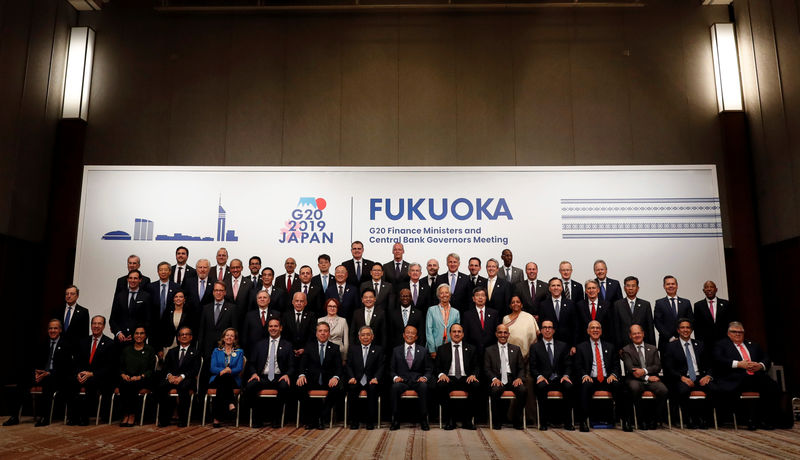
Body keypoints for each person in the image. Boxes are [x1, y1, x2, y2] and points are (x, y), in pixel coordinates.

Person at [711, 321, 780, 430]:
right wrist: (738, 364)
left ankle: (767, 420)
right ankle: (751, 420)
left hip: (756, 376)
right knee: (749, 382)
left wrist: (760, 365)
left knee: (772, 386)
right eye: (734, 332)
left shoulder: (753, 345)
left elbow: (766, 358)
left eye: (740, 332)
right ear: (728, 333)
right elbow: (718, 360)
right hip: (734, 378)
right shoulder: (721, 345)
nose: (738, 334)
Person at [5, 319, 74, 427]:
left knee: (48, 383)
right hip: (42, 374)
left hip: (56, 376)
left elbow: (66, 368)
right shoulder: (43, 343)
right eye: (50, 328)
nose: (52, 330)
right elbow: (35, 361)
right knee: (22, 381)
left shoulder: (66, 345)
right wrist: (36, 372)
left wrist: (49, 373)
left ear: (60, 330)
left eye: (55, 328)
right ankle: (14, 416)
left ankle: (45, 417)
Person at [662, 318, 714, 429]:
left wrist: (708, 376)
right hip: (681, 378)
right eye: (682, 327)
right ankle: (689, 418)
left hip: (700, 376)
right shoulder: (671, 346)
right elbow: (668, 368)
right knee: (683, 390)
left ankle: (705, 419)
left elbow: (709, 364)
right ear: (678, 330)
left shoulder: (700, 344)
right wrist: (682, 378)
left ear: (691, 330)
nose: (685, 330)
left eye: (688, 327)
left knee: (713, 388)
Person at [245, 318, 295, 428]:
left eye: (276, 326)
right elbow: (251, 363)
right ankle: (257, 418)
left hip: (279, 377)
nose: (273, 328)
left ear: (281, 328)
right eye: (271, 326)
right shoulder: (259, 344)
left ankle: (276, 419)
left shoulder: (288, 345)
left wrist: (287, 374)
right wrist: (254, 373)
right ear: (268, 328)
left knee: (284, 386)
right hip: (262, 377)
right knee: (250, 386)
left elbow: (292, 366)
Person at [574, 320, 621, 432]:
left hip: (607, 378)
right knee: (585, 386)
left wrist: (613, 375)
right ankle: (583, 421)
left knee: (619, 386)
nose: (595, 330)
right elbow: (578, 365)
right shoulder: (581, 347)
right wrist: (584, 375)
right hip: (591, 378)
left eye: (598, 328)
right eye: (592, 328)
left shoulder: (610, 346)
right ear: (588, 331)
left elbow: (616, 364)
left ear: (601, 331)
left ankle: (625, 420)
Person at [69, 315, 116, 426]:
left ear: (103, 326)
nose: (96, 326)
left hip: (100, 377)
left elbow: (110, 367)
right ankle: (73, 417)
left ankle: (84, 418)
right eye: (94, 323)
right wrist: (79, 373)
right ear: (91, 325)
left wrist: (92, 374)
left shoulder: (110, 344)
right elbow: (77, 361)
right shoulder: (83, 342)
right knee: (70, 383)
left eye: (99, 323)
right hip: (83, 374)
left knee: (90, 383)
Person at [621, 324, 668, 431]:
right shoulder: (626, 350)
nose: (637, 335)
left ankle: (654, 419)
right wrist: (647, 378)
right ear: (630, 336)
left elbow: (657, 366)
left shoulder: (653, 348)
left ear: (643, 334)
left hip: (652, 379)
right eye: (634, 333)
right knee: (635, 388)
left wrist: (645, 371)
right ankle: (640, 420)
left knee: (663, 390)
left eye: (639, 333)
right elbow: (630, 369)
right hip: (634, 380)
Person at [296, 322, 343, 430]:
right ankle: (311, 418)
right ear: (316, 333)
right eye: (320, 331)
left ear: (329, 333)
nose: (323, 333)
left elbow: (339, 367)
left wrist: (335, 377)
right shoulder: (309, 346)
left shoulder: (335, 348)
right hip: (312, 380)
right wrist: (301, 375)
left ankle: (322, 417)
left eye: (325, 331)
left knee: (337, 388)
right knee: (299, 386)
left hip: (328, 380)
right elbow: (302, 364)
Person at [530, 320, 574, 431]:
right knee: (541, 386)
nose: (547, 330)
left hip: (560, 379)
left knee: (569, 386)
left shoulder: (563, 346)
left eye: (550, 327)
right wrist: (539, 376)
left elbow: (568, 364)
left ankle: (568, 423)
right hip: (544, 379)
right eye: (545, 327)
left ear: (554, 330)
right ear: (541, 331)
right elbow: (533, 367)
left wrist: (566, 375)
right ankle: (543, 423)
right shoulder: (535, 347)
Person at [435, 323, 479, 430]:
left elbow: (476, 365)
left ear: (463, 334)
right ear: (450, 334)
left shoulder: (471, 348)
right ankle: (449, 420)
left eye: (459, 331)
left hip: (466, 378)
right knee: (441, 385)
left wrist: (473, 375)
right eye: (454, 331)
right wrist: (441, 375)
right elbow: (436, 367)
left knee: (476, 385)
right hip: (449, 378)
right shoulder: (442, 349)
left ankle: (468, 420)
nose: (457, 334)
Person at [389, 325, 432, 431]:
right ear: (403, 335)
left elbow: (429, 369)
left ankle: (423, 420)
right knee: (395, 388)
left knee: (424, 387)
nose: (410, 335)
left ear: (416, 337)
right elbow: (391, 369)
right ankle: (396, 420)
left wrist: (425, 378)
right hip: (402, 380)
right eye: (408, 332)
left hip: (417, 380)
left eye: (413, 333)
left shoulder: (423, 350)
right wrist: (395, 377)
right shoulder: (396, 350)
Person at [485, 324, 526, 430]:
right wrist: (494, 379)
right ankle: (497, 421)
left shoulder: (516, 349)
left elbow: (522, 368)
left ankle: (517, 420)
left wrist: (519, 378)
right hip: (497, 379)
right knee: (495, 390)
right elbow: (487, 368)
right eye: (500, 332)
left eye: (505, 332)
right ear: (496, 334)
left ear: (508, 334)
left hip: (512, 379)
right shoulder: (489, 350)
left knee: (522, 390)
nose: (502, 335)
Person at [157, 327, 200, 427]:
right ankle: (164, 419)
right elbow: (165, 368)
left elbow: (195, 370)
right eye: (181, 334)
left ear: (191, 337)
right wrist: (169, 376)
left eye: (186, 334)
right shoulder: (172, 351)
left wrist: (182, 377)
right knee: (161, 386)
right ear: (178, 338)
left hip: (187, 380)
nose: (184, 336)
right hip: (172, 379)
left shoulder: (196, 353)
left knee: (183, 387)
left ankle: (183, 419)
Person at [345, 326, 384, 430]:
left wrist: (376, 378)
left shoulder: (378, 349)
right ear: (359, 337)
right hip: (356, 379)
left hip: (371, 380)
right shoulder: (353, 349)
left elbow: (381, 366)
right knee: (352, 389)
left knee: (373, 389)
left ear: (372, 337)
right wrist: (351, 377)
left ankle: (370, 421)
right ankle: (354, 421)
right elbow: (348, 365)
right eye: (363, 335)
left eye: (368, 335)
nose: (365, 337)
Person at [117, 326, 155, 427]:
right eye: (137, 333)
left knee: (132, 385)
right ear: (133, 335)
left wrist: (140, 377)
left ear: (145, 335)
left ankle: (132, 415)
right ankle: (126, 414)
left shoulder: (150, 350)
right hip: (127, 378)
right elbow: (121, 366)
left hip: (143, 379)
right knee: (124, 384)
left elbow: (151, 370)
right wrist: (123, 374)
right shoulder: (126, 350)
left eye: (141, 333)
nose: (139, 336)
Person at [208, 328, 244, 427]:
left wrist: (229, 371)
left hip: (233, 380)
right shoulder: (216, 351)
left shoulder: (239, 352)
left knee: (225, 380)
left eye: (232, 336)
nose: (229, 337)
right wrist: (223, 371)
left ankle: (216, 418)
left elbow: (239, 368)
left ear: (235, 339)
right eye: (227, 335)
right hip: (217, 378)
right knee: (224, 378)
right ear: (223, 338)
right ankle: (231, 403)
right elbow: (212, 368)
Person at [110, 270, 153, 344]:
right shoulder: (119, 296)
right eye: (130, 278)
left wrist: (137, 335)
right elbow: (113, 319)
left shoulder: (146, 296)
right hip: (120, 339)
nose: (132, 280)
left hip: (138, 340)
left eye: (135, 278)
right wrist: (118, 333)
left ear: (140, 280)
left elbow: (148, 320)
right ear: (127, 279)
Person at [612, 276, 655, 349]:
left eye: (633, 286)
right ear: (624, 288)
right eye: (628, 286)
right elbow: (616, 328)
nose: (630, 288)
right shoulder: (617, 305)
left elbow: (650, 328)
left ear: (638, 288)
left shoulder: (645, 305)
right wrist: (619, 348)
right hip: (625, 346)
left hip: (643, 344)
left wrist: (652, 347)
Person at [197, 282, 237, 359]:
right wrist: (200, 348)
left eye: (221, 290)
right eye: (216, 290)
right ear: (213, 292)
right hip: (207, 348)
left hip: (225, 347)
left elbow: (234, 329)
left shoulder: (232, 308)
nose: (218, 293)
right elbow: (202, 329)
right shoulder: (206, 308)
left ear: (225, 292)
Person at [654, 275, 694, 351]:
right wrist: (670, 337)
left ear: (677, 286)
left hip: (684, 341)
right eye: (668, 284)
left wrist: (683, 336)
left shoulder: (686, 302)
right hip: (666, 342)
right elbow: (657, 323)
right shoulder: (659, 303)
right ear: (664, 286)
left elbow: (691, 321)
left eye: (673, 284)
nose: (670, 286)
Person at [693, 280, 733, 352]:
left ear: (716, 289)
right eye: (706, 287)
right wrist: (699, 343)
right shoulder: (698, 305)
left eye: (711, 287)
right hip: (706, 344)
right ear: (703, 290)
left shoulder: (726, 304)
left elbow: (730, 322)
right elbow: (697, 326)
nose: (709, 289)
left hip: (724, 341)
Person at [539, 278, 578, 352]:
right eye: (553, 285)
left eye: (558, 285)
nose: (556, 288)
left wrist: (574, 345)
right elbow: (541, 326)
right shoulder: (543, 305)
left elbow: (575, 326)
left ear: (562, 288)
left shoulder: (570, 304)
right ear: (549, 288)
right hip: (550, 344)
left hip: (568, 345)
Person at [158, 290, 196, 359]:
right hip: (168, 345)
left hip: (183, 345)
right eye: (176, 297)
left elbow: (192, 330)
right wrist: (160, 349)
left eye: (181, 297)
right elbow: (161, 331)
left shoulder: (189, 313)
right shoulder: (167, 312)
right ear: (173, 299)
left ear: (184, 299)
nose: (178, 298)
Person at [241, 290, 280, 357]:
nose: (262, 299)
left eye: (264, 297)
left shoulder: (276, 314)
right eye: (260, 298)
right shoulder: (249, 315)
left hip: (272, 351)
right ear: (257, 300)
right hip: (253, 351)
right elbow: (245, 336)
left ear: (269, 300)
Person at [462, 287, 500, 356]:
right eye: (477, 295)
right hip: (473, 352)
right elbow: (465, 335)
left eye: (483, 295)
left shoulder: (494, 313)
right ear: (473, 299)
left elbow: (496, 333)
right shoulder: (467, 315)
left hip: (491, 351)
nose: (480, 297)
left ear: (486, 298)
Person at [147, 261, 180, 339]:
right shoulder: (150, 287)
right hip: (153, 325)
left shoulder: (176, 287)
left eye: (165, 270)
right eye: (161, 270)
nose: (163, 272)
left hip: (170, 325)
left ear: (170, 272)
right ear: (158, 272)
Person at [426, 284, 461, 357]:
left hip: (450, 348)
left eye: (446, 292)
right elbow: (429, 331)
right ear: (438, 296)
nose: (444, 295)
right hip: (435, 348)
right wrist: (432, 350)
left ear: (450, 294)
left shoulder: (456, 312)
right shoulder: (431, 310)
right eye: (441, 293)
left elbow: (457, 333)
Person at [575, 280, 613, 345]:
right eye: (589, 288)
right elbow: (577, 326)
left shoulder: (607, 305)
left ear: (598, 290)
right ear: (586, 291)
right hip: (584, 342)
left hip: (604, 341)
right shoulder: (579, 305)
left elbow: (610, 326)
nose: (591, 290)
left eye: (593, 288)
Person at [282, 292, 317, 358]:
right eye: (297, 301)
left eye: (301, 301)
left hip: (306, 353)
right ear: (292, 302)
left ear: (305, 303)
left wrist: (305, 349)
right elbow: (284, 334)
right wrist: (291, 348)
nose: (299, 303)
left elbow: (313, 334)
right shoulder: (286, 316)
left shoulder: (311, 316)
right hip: (289, 352)